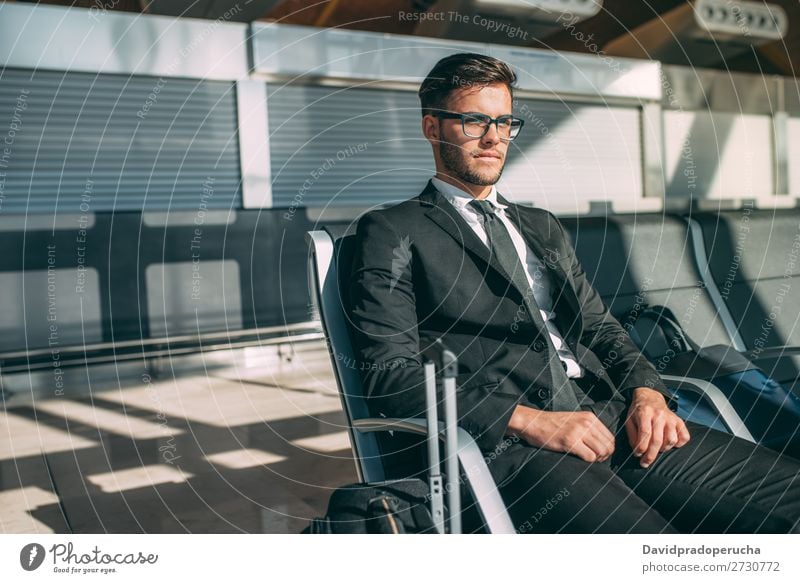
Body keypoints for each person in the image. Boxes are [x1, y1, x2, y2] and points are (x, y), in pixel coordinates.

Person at [346, 52, 800, 533]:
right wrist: (530, 421)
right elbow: (389, 375)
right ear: (432, 127)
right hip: (510, 442)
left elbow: (601, 327)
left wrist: (648, 392)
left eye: (504, 122)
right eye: (474, 120)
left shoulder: (540, 226)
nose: (494, 137)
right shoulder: (392, 230)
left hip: (610, 413)